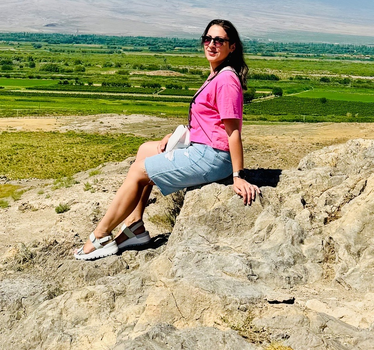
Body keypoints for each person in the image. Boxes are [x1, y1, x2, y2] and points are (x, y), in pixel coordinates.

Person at [74, 18, 261, 260]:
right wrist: (178, 134)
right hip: (202, 148)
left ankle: (100, 236)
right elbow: (210, 122)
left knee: (138, 171)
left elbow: (233, 132)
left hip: (213, 157)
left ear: (232, 46)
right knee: (145, 151)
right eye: (207, 39)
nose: (211, 44)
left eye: (219, 40)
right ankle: (135, 226)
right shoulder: (216, 74)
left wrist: (239, 176)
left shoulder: (226, 80)